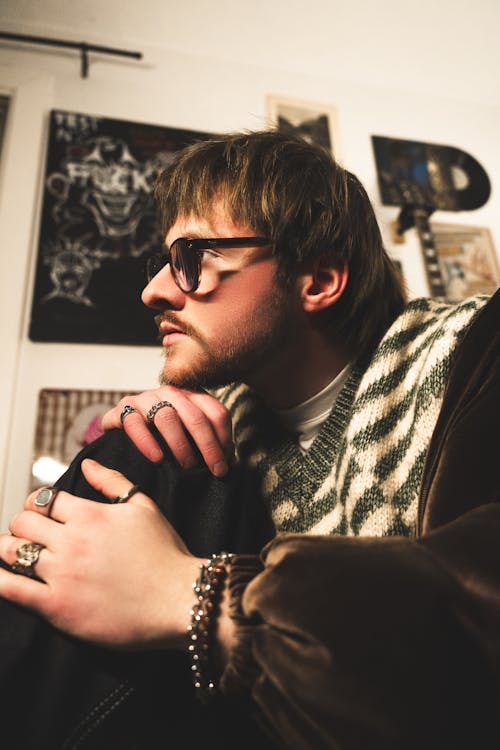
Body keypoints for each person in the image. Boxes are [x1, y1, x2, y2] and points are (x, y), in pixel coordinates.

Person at [0, 130, 499, 750]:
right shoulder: (206, 430)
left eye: (191, 259)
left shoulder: (479, 359)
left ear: (317, 280)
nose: (153, 292)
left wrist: (192, 597)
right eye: (160, 264)